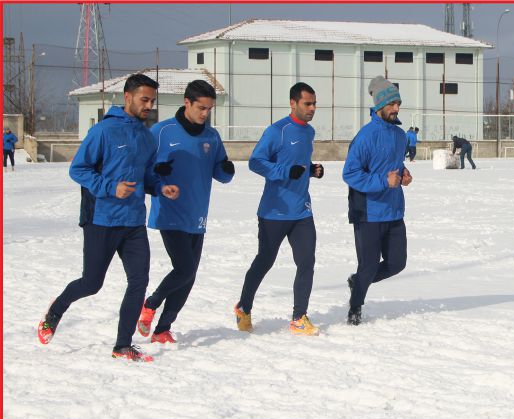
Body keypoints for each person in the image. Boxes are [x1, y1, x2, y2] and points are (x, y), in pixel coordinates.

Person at [37, 74, 180, 362]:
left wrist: (160, 187)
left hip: (134, 222)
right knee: (92, 283)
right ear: (127, 97)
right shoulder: (103, 131)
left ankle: (122, 346)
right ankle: (56, 310)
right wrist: (110, 187)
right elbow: (78, 169)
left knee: (138, 282)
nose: (149, 106)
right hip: (101, 219)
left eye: (152, 101)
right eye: (144, 99)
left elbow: (147, 175)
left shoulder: (146, 137)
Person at [136, 80, 235, 344]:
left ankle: (162, 330)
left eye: (209, 109)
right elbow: (142, 169)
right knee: (185, 268)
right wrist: (157, 171)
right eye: (201, 108)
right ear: (187, 102)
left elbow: (221, 173)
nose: (205, 114)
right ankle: (150, 303)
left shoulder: (211, 136)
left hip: (198, 214)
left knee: (188, 276)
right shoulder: (161, 131)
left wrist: (226, 170)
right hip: (169, 212)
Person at [234, 82, 324, 336]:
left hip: (302, 210)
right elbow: (256, 162)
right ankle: (243, 307)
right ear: (293, 103)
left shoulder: (309, 132)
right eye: (307, 103)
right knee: (265, 261)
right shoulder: (277, 131)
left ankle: (299, 317)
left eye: (314, 104)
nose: (312, 108)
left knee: (306, 262)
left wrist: (311, 169)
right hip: (274, 211)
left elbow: (298, 163)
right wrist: (284, 171)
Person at [342, 75, 412, 325]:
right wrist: (384, 181)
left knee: (397, 263)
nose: (396, 108)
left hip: (394, 210)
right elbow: (350, 173)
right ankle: (355, 307)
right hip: (368, 211)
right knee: (369, 265)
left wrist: (404, 174)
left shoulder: (400, 135)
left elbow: (395, 165)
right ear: (380, 104)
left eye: (398, 103)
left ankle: (357, 281)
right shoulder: (365, 136)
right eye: (392, 103)